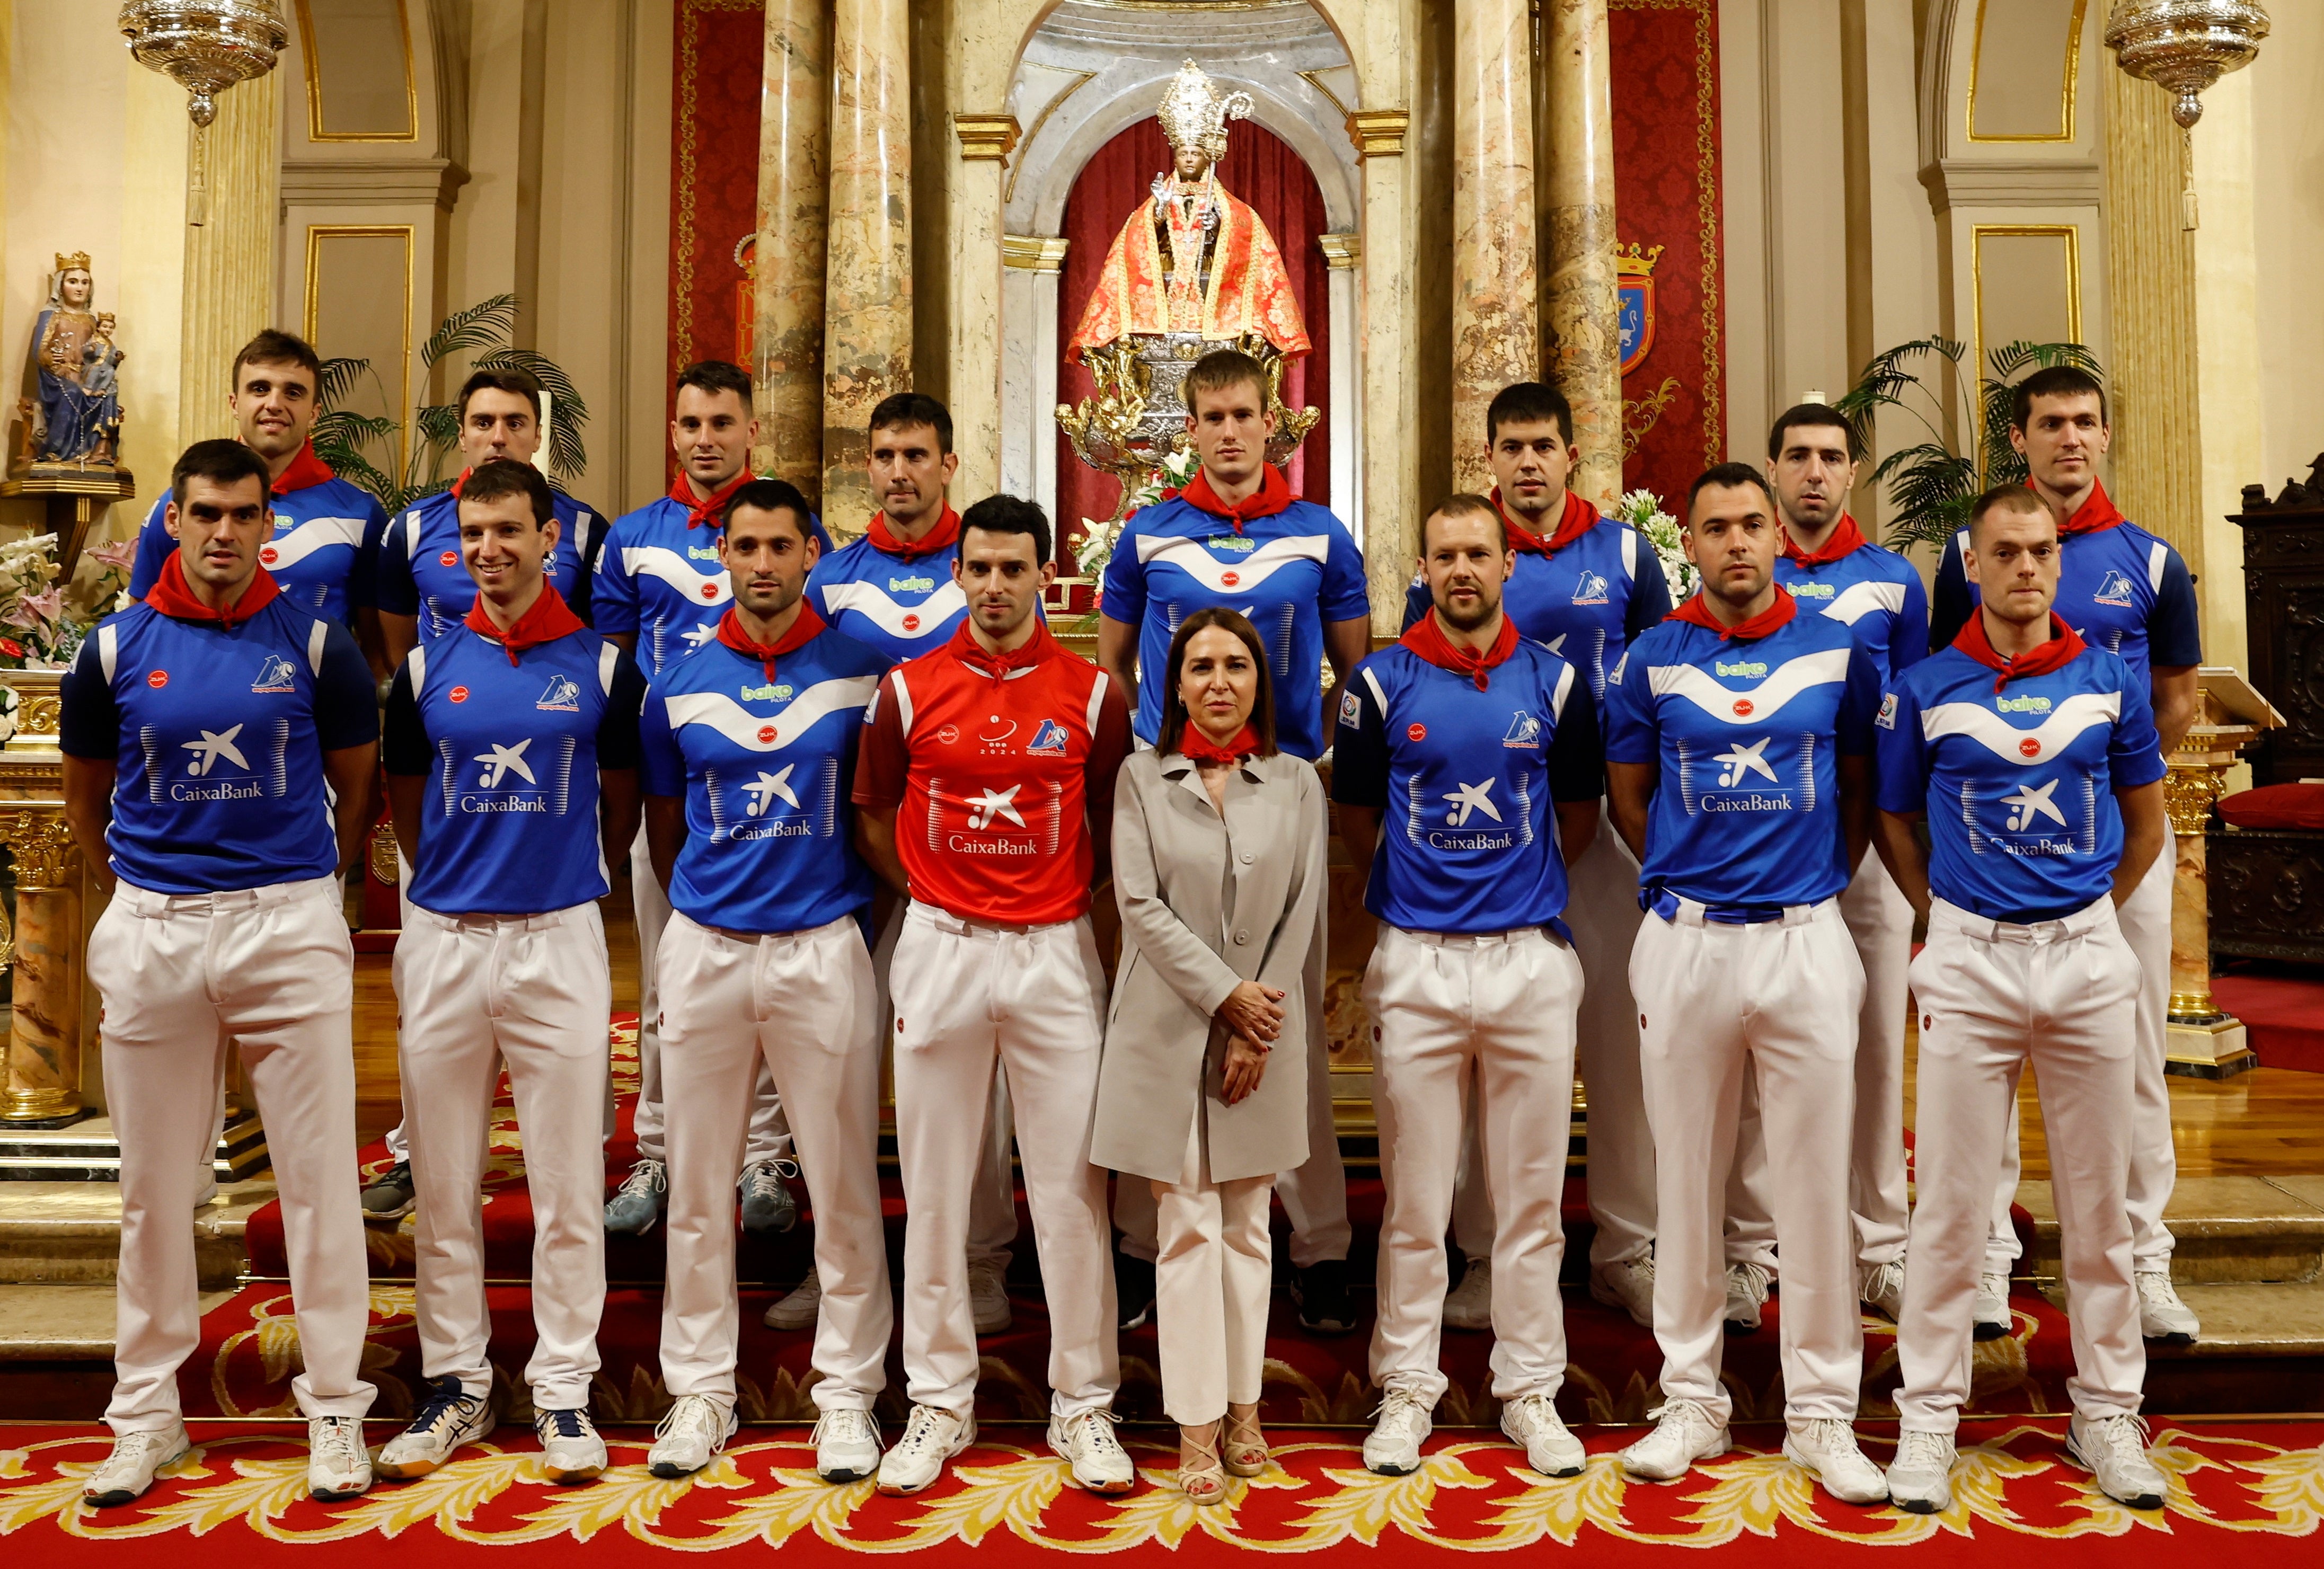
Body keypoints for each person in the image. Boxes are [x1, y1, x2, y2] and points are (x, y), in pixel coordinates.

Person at [60, 440, 381, 1505]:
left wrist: (294, 892)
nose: (225, 533)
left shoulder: (320, 642)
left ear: (265, 525)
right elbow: (87, 791)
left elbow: (351, 784)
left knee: (318, 1182)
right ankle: (145, 1414)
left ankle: (335, 1408)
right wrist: (143, 894)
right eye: (206, 513)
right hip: (154, 927)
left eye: (244, 515)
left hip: (284, 925)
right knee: (157, 1190)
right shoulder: (112, 648)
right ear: (177, 518)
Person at [1876, 485, 2172, 1512]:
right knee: (1951, 1208)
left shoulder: (2103, 678)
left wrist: (2087, 916)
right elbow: (1893, 819)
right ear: (1971, 562)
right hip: (1968, 960)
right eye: (2004, 552)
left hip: (2082, 958)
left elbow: (2143, 824)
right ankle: (1926, 1416)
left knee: (2097, 1209)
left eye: (2039, 551)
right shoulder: (1923, 685)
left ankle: (2104, 1412)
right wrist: (1942, 917)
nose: (2025, 568)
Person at [1602, 463, 1887, 1502]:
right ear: (1689, 541)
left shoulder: (1835, 649)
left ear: (1776, 535)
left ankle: (1820, 1412)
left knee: (1811, 1185)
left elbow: (1857, 784)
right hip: (1685, 941)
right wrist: (1693, 876)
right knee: (1685, 1180)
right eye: (1712, 526)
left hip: (1805, 939)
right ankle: (1690, 1399)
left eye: (1748, 525)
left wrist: (1808, 882)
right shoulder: (1650, 658)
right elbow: (1626, 796)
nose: (1733, 543)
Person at [853, 494, 1136, 1497]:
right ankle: (938, 1401)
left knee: (1070, 1192)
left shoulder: (1094, 696)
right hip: (942, 948)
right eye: (980, 568)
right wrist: (936, 898)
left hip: (1056, 953)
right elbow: (876, 817)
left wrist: (1056, 904)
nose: (996, 586)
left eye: (1015, 569)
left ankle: (1084, 1403)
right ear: (958, 574)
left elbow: (1113, 826)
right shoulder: (906, 689)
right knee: (933, 1187)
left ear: (1046, 577)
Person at [370, 458, 643, 1486]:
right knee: (443, 1179)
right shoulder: (423, 671)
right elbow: (404, 803)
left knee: (569, 1179)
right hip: (444, 938)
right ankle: (456, 1382)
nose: (487, 550)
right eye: (471, 534)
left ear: (548, 540)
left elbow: (618, 804)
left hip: (558, 935)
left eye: (506, 532)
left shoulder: (604, 669)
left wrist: (561, 876)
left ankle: (564, 1385)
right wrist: (448, 890)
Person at [1928, 366, 2202, 1345]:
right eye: (2051, 424)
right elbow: (1942, 692)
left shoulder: (2153, 561)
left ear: (2108, 434)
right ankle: (1996, 1257)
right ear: (2020, 438)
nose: (2071, 440)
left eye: (2086, 422)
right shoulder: (1970, 553)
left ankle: (2144, 1255)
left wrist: (2116, 806)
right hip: (1997, 858)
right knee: (1987, 1054)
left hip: (2119, 850)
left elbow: (2172, 696)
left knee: (2131, 1055)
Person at [1098, 347, 1368, 1335]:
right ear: (1190, 428)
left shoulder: (1320, 535)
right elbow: (1121, 665)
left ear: (1273, 424)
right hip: (1175, 789)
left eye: (1244, 414)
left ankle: (1322, 1243)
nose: (1227, 431)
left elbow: (1358, 669)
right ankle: (1139, 1241)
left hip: (1280, 783)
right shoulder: (1149, 535)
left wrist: (1310, 775)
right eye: (1209, 416)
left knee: (1280, 1015)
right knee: (1163, 1014)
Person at [1339, 495, 1604, 1479]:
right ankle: (1407, 1386)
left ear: (1505, 568)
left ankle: (1529, 1388)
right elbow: (1359, 816)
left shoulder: (1559, 681)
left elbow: (1578, 814)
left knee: (1530, 1202)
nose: (1463, 570)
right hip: (1417, 964)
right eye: (1445, 554)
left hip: (1529, 961)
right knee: (1415, 1197)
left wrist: (1513, 894)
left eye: (1479, 554)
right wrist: (1424, 899)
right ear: (1424, 565)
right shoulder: (1379, 681)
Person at [1399, 382, 1671, 1335]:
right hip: (1498, 838)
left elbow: (1658, 677)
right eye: (1509, 446)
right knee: (1490, 1058)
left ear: (1570, 457)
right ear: (1491, 460)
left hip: (1604, 822)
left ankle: (1626, 1246)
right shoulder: (1454, 562)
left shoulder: (1628, 554)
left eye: (1543, 445)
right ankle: (1484, 1256)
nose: (1527, 462)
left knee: (1619, 1044)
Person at [641, 481, 897, 1486]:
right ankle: (699, 1390)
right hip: (707, 946)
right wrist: (711, 914)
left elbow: (881, 817)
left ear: (809, 557)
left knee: (839, 1183)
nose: (759, 563)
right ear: (726, 559)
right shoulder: (679, 679)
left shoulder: (862, 675)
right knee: (700, 1186)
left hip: (821, 946)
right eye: (743, 546)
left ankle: (847, 1393)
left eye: (778, 546)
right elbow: (666, 829)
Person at [364, 364, 614, 1220]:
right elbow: (397, 653)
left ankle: (567, 1356)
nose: (499, 434)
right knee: (442, 1126)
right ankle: (412, 1154)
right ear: (460, 432)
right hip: (449, 802)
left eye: (515, 420)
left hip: (553, 856)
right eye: (483, 421)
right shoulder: (408, 535)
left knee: (568, 1164)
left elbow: (607, 753)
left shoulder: (589, 533)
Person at [593, 361, 832, 1241]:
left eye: (722, 423)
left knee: (770, 981)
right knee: (668, 983)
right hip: (677, 784)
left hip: (771, 793)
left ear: (748, 432)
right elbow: (615, 672)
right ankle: (657, 1152)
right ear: (674, 433)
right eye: (690, 423)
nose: (705, 439)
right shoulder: (631, 537)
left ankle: (765, 1154)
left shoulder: (787, 528)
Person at [1091, 607, 1325, 1504]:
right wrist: (1225, 998)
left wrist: (1254, 1019)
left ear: (1260, 682)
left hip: (1259, 1035)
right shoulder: (1142, 779)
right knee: (1184, 1226)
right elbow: (1141, 906)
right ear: (1174, 683)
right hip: (1165, 1028)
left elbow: (1303, 908)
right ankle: (1193, 1425)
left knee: (1248, 1227)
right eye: (1201, 667)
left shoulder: (1297, 782)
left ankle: (1245, 1411)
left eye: (1236, 665)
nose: (1219, 682)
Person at [797, 392, 1017, 1342]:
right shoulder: (832, 579)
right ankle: (838, 1263)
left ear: (948, 464)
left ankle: (982, 1258)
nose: (897, 471)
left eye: (915, 454)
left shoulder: (988, 565)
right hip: (855, 848)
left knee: (979, 1070)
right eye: (882, 455)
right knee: (841, 1069)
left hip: (967, 857)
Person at [1719, 404, 1930, 1329]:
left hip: (1869, 848)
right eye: (1797, 456)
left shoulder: (1893, 584)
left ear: (1854, 472)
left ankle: (1879, 1244)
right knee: (1758, 1053)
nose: (1813, 472)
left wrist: (1877, 848)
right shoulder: (1746, 575)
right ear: (1771, 470)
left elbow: (1915, 715)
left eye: (1831, 458)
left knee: (1877, 1047)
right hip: (1766, 853)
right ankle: (1751, 1248)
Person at [128, 330, 391, 674]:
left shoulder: (360, 514)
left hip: (309, 715)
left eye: (293, 392)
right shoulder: (181, 505)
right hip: (195, 702)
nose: (274, 404)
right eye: (260, 388)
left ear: (314, 413)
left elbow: (374, 651)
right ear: (235, 402)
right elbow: (140, 626)